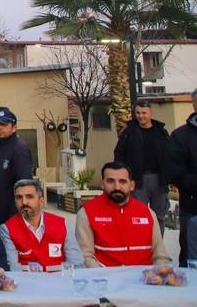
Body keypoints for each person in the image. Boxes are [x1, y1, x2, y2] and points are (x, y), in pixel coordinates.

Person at [75, 161, 171, 267]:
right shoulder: (86, 213)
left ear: (132, 185)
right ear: (102, 183)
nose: (117, 187)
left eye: (122, 182)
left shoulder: (148, 213)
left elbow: (160, 257)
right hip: (104, 279)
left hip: (144, 280)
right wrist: (103, 277)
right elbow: (85, 256)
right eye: (110, 181)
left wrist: (157, 275)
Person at [113, 100, 171, 234]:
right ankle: (139, 246)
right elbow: (119, 154)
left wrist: (171, 177)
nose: (141, 116)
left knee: (159, 217)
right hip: (138, 180)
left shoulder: (161, 132)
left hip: (159, 179)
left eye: (144, 113)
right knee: (137, 216)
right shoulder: (129, 132)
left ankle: (157, 249)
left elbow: (170, 155)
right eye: (138, 113)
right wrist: (123, 177)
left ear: (151, 113)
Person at [0, 179, 82, 271]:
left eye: (29, 197)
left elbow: (76, 264)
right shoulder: (7, 228)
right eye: (19, 197)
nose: (24, 202)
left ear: (41, 200)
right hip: (27, 283)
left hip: (59, 282)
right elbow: (13, 268)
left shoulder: (63, 224)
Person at [0, 108, 33, 226]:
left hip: (11, 217)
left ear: (14, 127)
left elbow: (24, 184)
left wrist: (15, 215)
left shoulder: (19, 149)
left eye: (4, 124)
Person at [167, 88, 197, 266]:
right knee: (190, 255)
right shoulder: (180, 136)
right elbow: (175, 172)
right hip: (192, 205)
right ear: (193, 105)